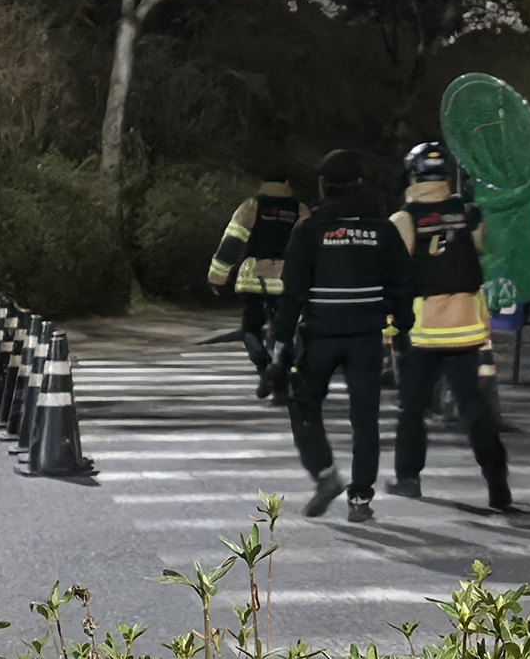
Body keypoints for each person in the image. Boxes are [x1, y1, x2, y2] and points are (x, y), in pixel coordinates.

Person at [266, 150, 412, 523]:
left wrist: (280, 346)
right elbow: (402, 284)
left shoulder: (310, 230)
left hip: (320, 335)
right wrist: (402, 329)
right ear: (360, 184)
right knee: (365, 419)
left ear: (323, 186)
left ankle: (325, 473)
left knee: (303, 404)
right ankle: (360, 500)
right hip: (365, 336)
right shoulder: (383, 229)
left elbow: (293, 291)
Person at [387, 142, 511, 510]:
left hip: (422, 332)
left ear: (412, 175)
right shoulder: (468, 214)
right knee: (475, 408)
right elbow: (487, 255)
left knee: (412, 408)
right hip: (467, 328)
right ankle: (497, 482)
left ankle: (408, 478)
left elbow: (393, 279)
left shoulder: (404, 220)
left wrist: (389, 330)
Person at [208, 169, 309, 403]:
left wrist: (217, 277)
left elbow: (232, 242)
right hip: (288, 278)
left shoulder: (252, 205)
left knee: (250, 328)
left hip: (255, 277)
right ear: (287, 182)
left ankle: (264, 368)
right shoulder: (300, 209)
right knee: (283, 330)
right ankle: (280, 374)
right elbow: (308, 247)